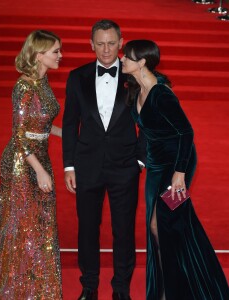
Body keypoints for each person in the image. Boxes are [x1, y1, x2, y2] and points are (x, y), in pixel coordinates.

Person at [121, 39, 229, 300]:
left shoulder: (161, 94)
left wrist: (180, 173)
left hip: (177, 167)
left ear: (141, 62)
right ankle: (174, 286)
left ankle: (172, 291)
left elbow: (186, 132)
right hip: (156, 167)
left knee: (160, 225)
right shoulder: (137, 88)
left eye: (127, 56)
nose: (122, 59)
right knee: (169, 226)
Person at [0, 30, 63, 299]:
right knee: (20, 223)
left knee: (38, 224)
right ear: (40, 55)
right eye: (56, 52)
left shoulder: (43, 81)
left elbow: (40, 124)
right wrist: (39, 170)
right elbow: (20, 135)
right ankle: (12, 289)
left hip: (40, 156)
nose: (60, 56)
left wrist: (68, 135)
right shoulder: (24, 87)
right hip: (21, 162)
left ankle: (34, 288)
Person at [62, 20, 146, 300]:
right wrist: (70, 166)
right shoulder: (77, 77)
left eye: (112, 43)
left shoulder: (135, 74)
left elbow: (150, 120)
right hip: (87, 165)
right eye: (100, 43)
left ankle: (121, 288)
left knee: (123, 230)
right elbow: (70, 123)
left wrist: (140, 161)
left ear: (121, 42)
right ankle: (89, 285)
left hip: (125, 167)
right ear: (91, 44)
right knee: (87, 228)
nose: (106, 49)